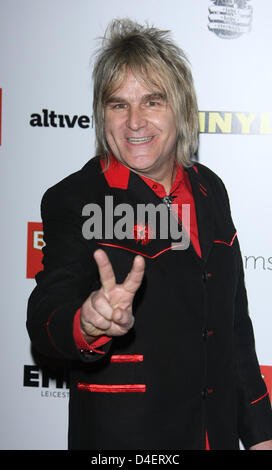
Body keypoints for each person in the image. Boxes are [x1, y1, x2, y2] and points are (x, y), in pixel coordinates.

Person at [27, 18, 272, 450]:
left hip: (214, 435)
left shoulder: (209, 188)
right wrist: (87, 321)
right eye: (118, 104)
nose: (135, 122)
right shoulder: (76, 198)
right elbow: (46, 310)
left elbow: (234, 327)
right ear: (102, 115)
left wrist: (259, 434)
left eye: (152, 101)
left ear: (179, 107)